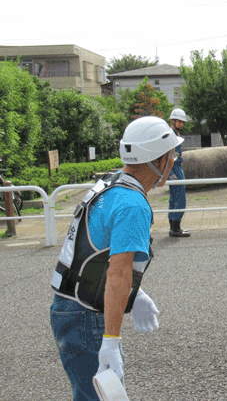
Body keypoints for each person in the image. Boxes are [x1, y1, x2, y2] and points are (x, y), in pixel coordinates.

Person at [50, 116, 183, 400]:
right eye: (172, 155)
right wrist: (111, 340)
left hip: (69, 307)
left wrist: (135, 294)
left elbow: (94, 250)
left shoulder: (109, 186)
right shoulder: (133, 204)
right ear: (160, 161)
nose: (173, 163)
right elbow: (119, 272)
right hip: (87, 315)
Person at [168, 108, 191, 237]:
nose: (181, 124)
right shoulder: (171, 134)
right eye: (179, 121)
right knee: (180, 199)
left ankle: (173, 227)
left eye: (183, 122)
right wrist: (171, 173)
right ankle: (176, 229)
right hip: (174, 167)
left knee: (174, 198)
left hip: (176, 166)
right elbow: (168, 155)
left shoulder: (175, 133)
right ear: (172, 121)